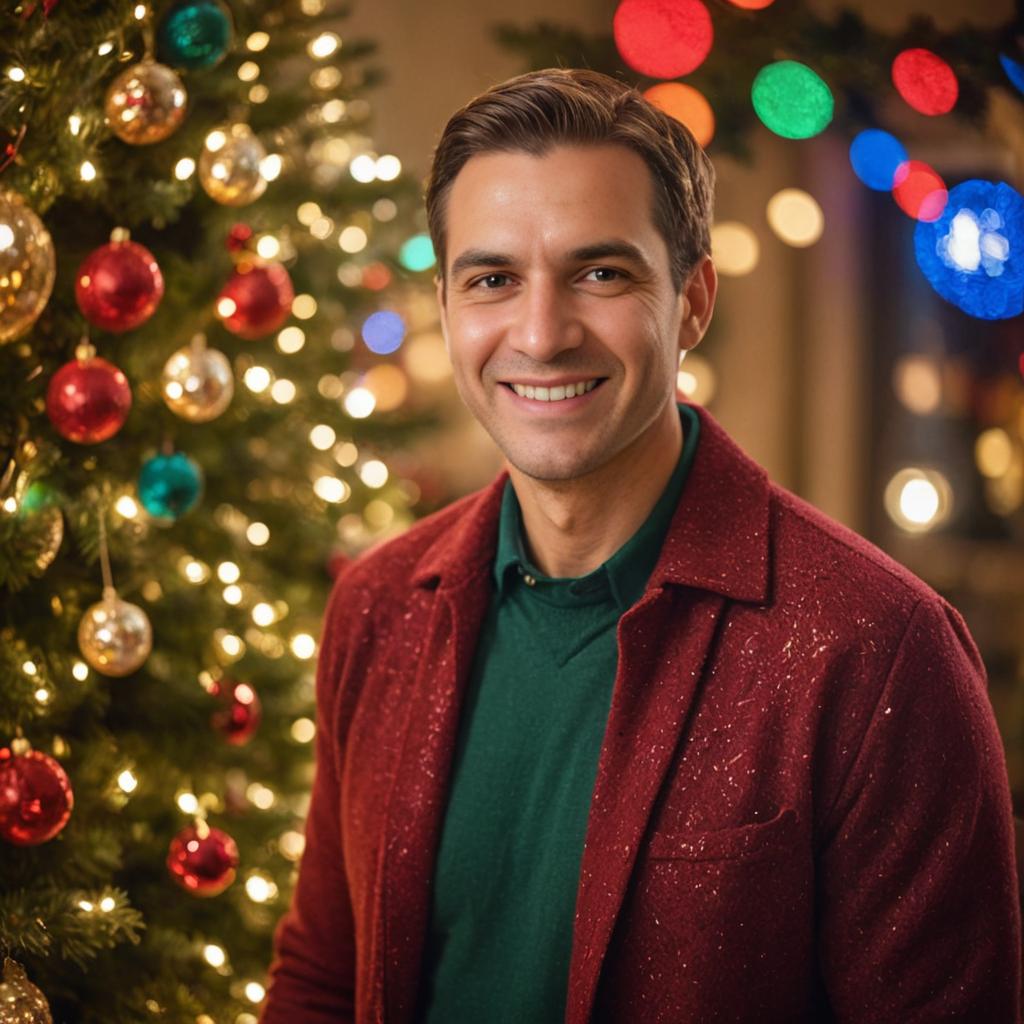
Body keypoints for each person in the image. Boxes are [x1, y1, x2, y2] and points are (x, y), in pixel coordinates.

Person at [261, 68, 1021, 1023]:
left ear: (693, 299)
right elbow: (324, 985)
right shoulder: (377, 607)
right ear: (449, 308)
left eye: (600, 273)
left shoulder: (877, 652)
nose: (540, 334)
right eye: (493, 279)